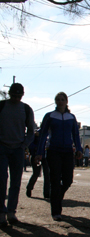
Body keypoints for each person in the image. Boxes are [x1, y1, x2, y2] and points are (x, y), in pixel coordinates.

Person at [35, 92, 82, 221]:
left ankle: (56, 198)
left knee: (68, 180)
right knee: (55, 180)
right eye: (58, 99)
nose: (60, 101)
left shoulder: (71, 117)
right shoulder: (50, 116)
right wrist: (39, 152)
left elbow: (76, 135)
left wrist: (79, 149)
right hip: (53, 151)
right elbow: (43, 134)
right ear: (55, 101)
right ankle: (56, 211)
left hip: (67, 151)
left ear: (66, 101)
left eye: (62, 99)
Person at [0, 83, 35, 226]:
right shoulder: (1, 106)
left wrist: (23, 145)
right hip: (1, 148)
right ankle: (1, 213)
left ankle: (11, 212)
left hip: (17, 149)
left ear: (22, 95)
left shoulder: (26, 109)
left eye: (18, 96)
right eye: (13, 96)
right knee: (1, 180)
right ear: (9, 94)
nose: (16, 98)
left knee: (16, 182)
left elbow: (32, 131)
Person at [26, 129, 51, 199]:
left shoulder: (48, 134)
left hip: (45, 156)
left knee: (47, 175)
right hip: (35, 156)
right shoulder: (36, 135)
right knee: (36, 173)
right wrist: (37, 149)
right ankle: (29, 188)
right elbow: (30, 145)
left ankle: (47, 193)